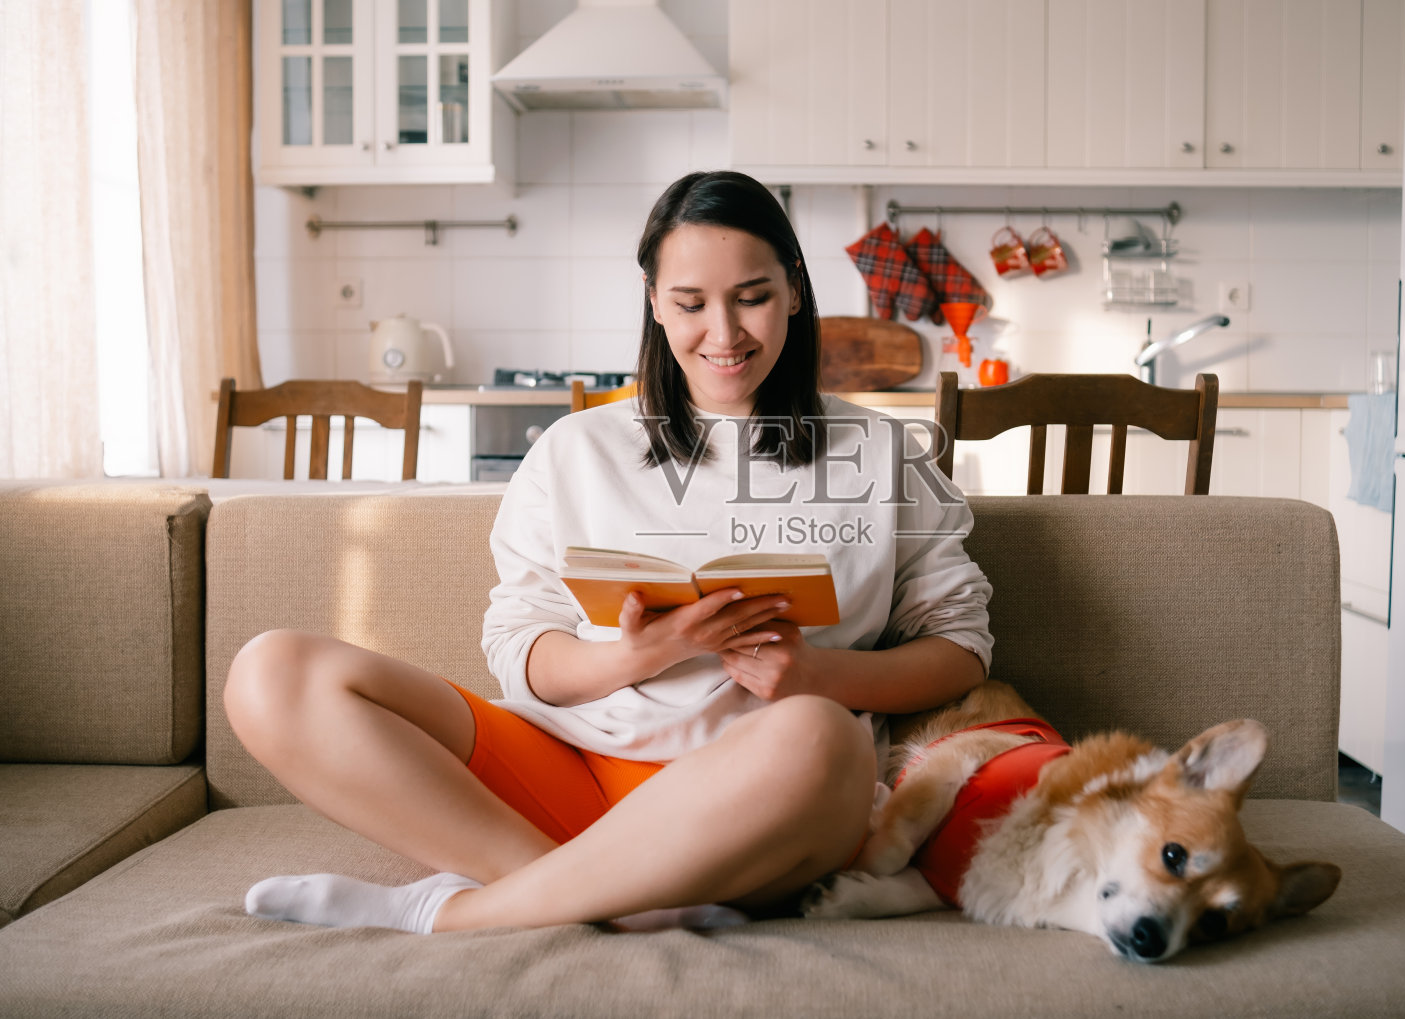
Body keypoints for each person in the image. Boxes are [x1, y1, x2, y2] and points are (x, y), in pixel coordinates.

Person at [228, 170, 993, 935]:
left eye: (751, 296)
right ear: (654, 300)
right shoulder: (574, 449)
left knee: (822, 733)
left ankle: (468, 911)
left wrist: (819, 673)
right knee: (272, 671)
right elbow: (517, 647)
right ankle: (611, 900)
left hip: (758, 799)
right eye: (691, 304)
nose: (723, 335)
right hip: (575, 770)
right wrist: (637, 656)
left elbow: (961, 647)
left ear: (794, 289)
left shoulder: (882, 453)